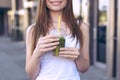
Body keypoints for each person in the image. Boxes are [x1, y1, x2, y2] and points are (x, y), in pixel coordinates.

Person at [25, 0, 90, 80]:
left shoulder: (82, 27)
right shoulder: (33, 30)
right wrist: (37, 53)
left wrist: (78, 57)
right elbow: (31, 75)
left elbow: (84, 68)